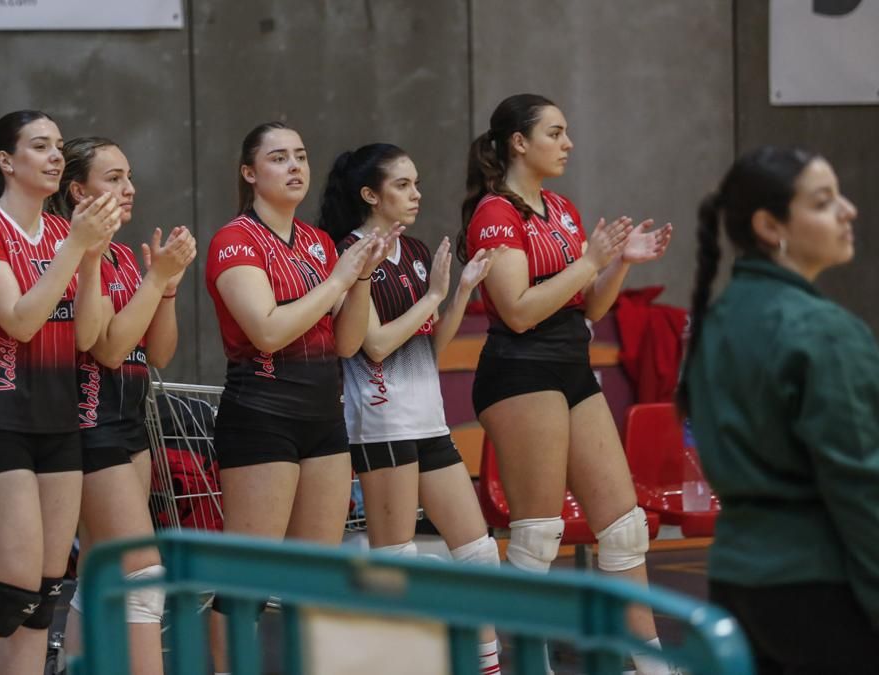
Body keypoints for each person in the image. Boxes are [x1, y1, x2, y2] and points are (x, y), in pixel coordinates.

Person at [461, 94, 673, 674]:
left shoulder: (560, 207)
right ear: (518, 143)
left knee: (624, 528)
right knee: (537, 535)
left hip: (570, 364)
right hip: (520, 373)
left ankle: (649, 665)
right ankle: (529, 661)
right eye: (555, 132)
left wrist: (619, 263)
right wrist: (587, 262)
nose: (568, 143)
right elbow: (519, 309)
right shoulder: (493, 214)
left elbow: (589, 307)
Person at [204, 121, 397, 674]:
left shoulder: (315, 243)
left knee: (313, 579)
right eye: (278, 158)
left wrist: (360, 279)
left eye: (301, 157)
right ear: (249, 173)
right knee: (250, 578)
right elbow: (266, 330)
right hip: (261, 416)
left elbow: (347, 340)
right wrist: (339, 279)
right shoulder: (234, 239)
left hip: (322, 419)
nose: (294, 167)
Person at [677, 146, 877, 673]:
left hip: (735, 584)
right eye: (824, 201)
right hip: (823, 588)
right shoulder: (824, 331)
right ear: (770, 225)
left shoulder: (715, 322)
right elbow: (860, 489)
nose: (848, 211)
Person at [317, 142, 503, 673]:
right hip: (380, 425)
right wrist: (432, 298)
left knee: (478, 551)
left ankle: (487, 665)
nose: (416, 193)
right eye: (403, 185)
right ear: (370, 195)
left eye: (416, 183)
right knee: (395, 562)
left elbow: (430, 347)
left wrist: (460, 292)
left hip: (429, 420)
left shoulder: (418, 252)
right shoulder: (349, 252)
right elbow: (372, 345)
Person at [0, 110, 121, 674]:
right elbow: (20, 321)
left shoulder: (61, 232)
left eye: (57, 147)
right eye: (40, 146)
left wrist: (92, 254)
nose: (55, 156)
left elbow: (90, 336)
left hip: (59, 423)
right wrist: (77, 246)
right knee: (13, 589)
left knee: (44, 594)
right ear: (6, 161)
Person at [46, 137, 196, 675]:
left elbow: (155, 351)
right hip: (90, 424)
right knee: (141, 575)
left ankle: (73, 666)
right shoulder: (75, 252)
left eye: (128, 176)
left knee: (101, 572)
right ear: (78, 190)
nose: (128, 188)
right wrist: (155, 280)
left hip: (131, 422)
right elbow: (106, 347)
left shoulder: (123, 257)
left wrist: (167, 288)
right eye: (113, 178)